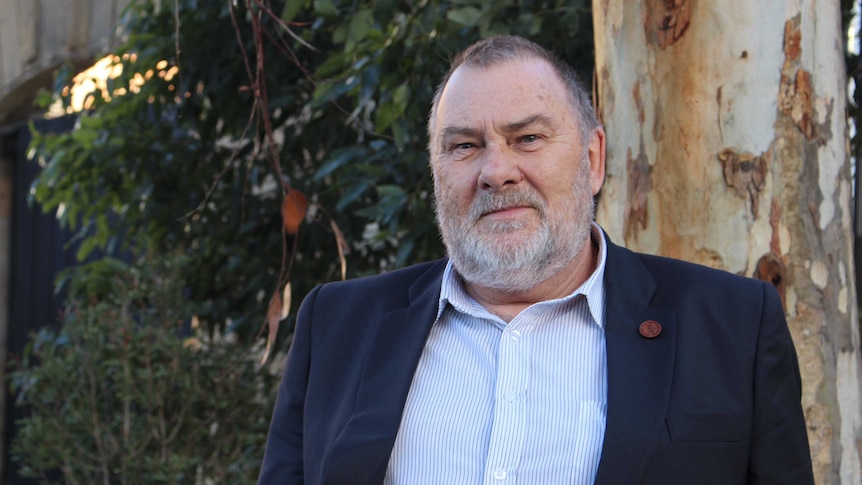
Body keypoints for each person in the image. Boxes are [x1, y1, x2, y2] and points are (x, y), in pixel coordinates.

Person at [258, 35, 814, 485]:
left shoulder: (732, 325)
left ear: (592, 159)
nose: (496, 171)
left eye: (526, 138)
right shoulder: (337, 325)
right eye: (464, 146)